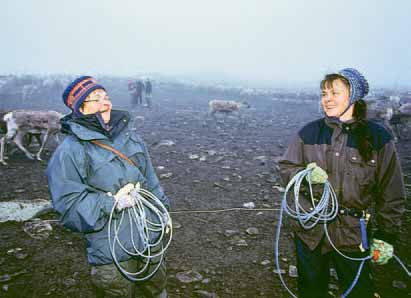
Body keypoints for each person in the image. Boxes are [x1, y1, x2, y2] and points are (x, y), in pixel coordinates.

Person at [279, 68, 405, 298]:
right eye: (324, 93)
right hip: (312, 233)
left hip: (353, 234)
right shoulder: (308, 133)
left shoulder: (378, 138)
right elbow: (287, 166)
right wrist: (305, 177)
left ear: (354, 96)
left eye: (334, 92)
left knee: (359, 291)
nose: (326, 99)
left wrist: (387, 236)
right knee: (311, 292)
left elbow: (391, 192)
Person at [46, 76, 169, 298]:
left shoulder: (131, 138)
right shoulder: (70, 152)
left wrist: (163, 214)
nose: (106, 103)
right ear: (80, 109)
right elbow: (68, 206)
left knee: (156, 289)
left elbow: (151, 180)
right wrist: (112, 203)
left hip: (149, 237)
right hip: (112, 249)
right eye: (96, 99)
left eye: (106, 97)